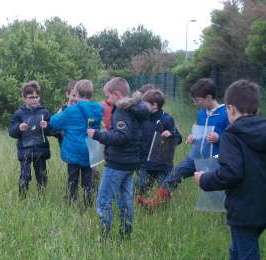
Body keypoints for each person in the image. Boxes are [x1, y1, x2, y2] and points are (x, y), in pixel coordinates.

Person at [194, 80, 266, 260]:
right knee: (237, 253)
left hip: (244, 211)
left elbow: (230, 173)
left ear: (231, 110)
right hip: (261, 207)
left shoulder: (232, 136)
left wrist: (204, 179)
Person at [141, 78, 229, 207]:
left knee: (217, 195)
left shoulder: (225, 113)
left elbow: (233, 138)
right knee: (174, 175)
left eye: (197, 100)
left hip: (214, 160)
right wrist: (193, 136)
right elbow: (200, 132)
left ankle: (226, 215)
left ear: (209, 97)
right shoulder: (201, 113)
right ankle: (155, 204)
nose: (195, 103)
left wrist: (219, 138)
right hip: (194, 158)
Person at [87, 77, 148, 239]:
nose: (107, 100)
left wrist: (98, 135)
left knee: (103, 200)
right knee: (124, 199)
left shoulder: (122, 110)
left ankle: (105, 236)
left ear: (116, 94)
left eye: (108, 96)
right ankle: (125, 234)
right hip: (130, 162)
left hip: (118, 163)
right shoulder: (134, 108)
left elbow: (122, 136)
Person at [50, 79, 103, 207]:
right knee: (87, 180)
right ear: (91, 94)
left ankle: (71, 202)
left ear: (77, 93)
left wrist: (61, 111)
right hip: (90, 151)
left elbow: (54, 122)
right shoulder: (97, 109)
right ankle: (88, 203)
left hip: (74, 151)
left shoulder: (71, 110)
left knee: (72, 178)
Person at [137, 89, 182, 203]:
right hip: (145, 163)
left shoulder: (166, 119)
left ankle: (162, 208)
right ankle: (143, 207)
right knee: (141, 187)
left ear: (154, 105)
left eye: (145, 103)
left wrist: (171, 134)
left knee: (164, 191)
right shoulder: (142, 117)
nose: (142, 106)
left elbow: (179, 137)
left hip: (162, 164)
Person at [9, 81, 53, 198]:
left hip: (40, 150)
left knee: (42, 176)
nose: (34, 99)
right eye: (31, 97)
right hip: (25, 151)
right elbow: (11, 131)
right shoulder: (19, 113)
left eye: (36, 97)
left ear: (39, 97)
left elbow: (53, 130)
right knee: (25, 176)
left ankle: (42, 198)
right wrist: (19, 128)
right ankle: (22, 199)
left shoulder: (44, 112)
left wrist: (47, 126)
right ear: (24, 98)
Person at [56, 80, 78, 147]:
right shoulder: (62, 111)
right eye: (74, 95)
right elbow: (55, 130)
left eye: (79, 96)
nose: (76, 99)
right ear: (67, 94)